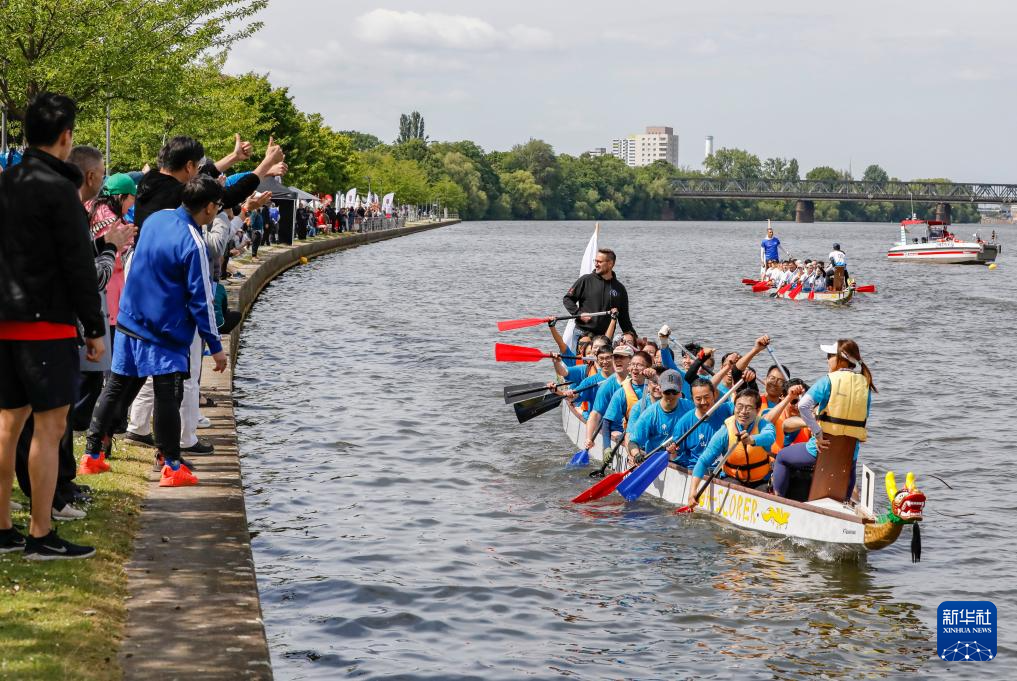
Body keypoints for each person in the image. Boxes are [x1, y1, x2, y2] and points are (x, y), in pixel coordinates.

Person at [0, 92, 103, 559]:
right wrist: (94, 327)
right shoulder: (61, 189)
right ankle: (41, 532)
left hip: (5, 318)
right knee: (49, 427)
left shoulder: (6, 181)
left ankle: (3, 528)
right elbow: (78, 265)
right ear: (66, 137)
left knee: (7, 425)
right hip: (47, 323)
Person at [82, 176, 228, 487]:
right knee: (167, 394)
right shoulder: (194, 241)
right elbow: (202, 298)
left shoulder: (157, 219)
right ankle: (171, 464)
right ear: (209, 207)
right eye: (218, 206)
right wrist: (215, 346)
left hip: (130, 319)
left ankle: (92, 455)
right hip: (165, 331)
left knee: (115, 387)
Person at [771, 339, 875, 499]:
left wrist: (818, 433)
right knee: (849, 469)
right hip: (850, 450)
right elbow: (864, 416)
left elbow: (803, 406)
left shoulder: (828, 380)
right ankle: (845, 503)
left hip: (821, 447)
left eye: (830, 356)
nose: (827, 359)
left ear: (841, 359)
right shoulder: (865, 384)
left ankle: (778, 499)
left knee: (782, 457)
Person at [687, 389, 777, 502]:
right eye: (739, 406)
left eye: (749, 408)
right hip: (733, 478)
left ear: (758, 410)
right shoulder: (725, 431)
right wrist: (693, 491)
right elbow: (704, 461)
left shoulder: (764, 424)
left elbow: (770, 437)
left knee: (765, 493)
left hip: (761, 479)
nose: (743, 412)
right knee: (734, 488)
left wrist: (751, 439)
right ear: (734, 408)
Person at [626, 370, 695, 467]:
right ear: (660, 389)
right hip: (658, 461)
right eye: (667, 392)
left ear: (680, 391)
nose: (671, 396)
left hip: (686, 460)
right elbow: (633, 442)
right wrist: (637, 455)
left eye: (674, 392)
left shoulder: (690, 407)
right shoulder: (650, 414)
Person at [562, 248, 636, 339]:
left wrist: (635, 338)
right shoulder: (585, 280)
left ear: (610, 263)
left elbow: (624, 320)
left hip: (605, 337)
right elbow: (567, 299)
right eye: (595, 261)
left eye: (599, 262)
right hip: (582, 334)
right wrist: (578, 313)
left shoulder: (620, 288)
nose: (596, 264)